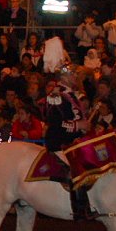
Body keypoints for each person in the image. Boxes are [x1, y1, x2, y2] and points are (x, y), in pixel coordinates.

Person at [43, 65, 94, 220]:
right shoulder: (56, 95)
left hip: (71, 142)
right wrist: (78, 126)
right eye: (74, 75)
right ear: (65, 77)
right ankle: (78, 209)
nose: (76, 78)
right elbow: (55, 122)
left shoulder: (71, 94)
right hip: (59, 143)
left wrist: (82, 128)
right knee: (76, 171)